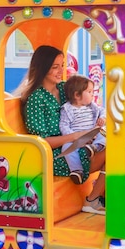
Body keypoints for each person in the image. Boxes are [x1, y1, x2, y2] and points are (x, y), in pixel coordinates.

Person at [21, 45, 106, 214]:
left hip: (79, 143)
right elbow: (41, 142)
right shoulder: (36, 99)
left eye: (62, 65)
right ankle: (92, 200)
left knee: (115, 143)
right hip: (56, 155)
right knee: (114, 152)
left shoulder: (63, 88)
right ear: (42, 68)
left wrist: (96, 118)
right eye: (55, 67)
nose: (61, 70)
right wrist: (76, 136)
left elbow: (85, 101)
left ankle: (99, 197)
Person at [59, 74, 106, 185]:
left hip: (93, 135)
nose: (92, 95)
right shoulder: (67, 109)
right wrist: (76, 137)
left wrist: (102, 118)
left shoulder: (92, 106)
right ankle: (77, 170)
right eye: (89, 92)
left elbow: (102, 110)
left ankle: (96, 146)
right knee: (66, 148)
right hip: (77, 138)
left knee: (104, 133)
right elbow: (63, 126)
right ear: (77, 95)